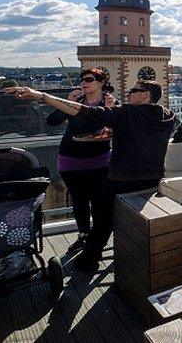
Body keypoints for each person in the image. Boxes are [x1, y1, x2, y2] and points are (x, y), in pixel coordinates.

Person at [6, 80, 177, 271]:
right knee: (118, 212)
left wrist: (41, 96)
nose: (128, 93)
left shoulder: (126, 113)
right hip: (152, 181)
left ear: (146, 95)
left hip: (122, 181)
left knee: (101, 219)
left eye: (134, 91)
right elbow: (141, 132)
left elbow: (84, 111)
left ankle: (88, 260)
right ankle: (127, 247)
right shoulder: (168, 115)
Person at [46, 69, 117, 252]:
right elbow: (52, 121)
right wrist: (67, 103)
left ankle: (97, 239)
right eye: (82, 80)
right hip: (70, 158)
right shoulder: (76, 102)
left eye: (88, 79)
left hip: (99, 160)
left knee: (99, 201)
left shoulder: (109, 103)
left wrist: (113, 109)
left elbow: (116, 125)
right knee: (79, 200)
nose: (83, 83)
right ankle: (83, 235)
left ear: (101, 82)